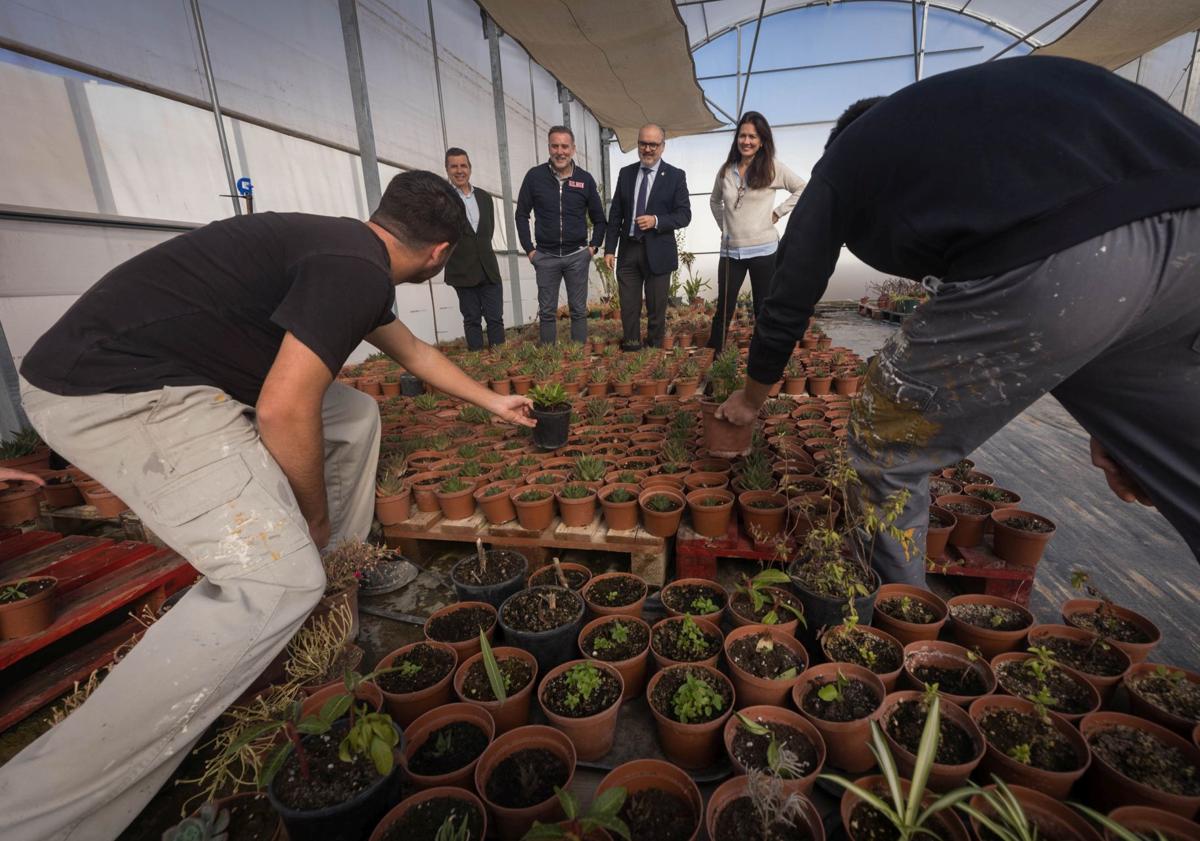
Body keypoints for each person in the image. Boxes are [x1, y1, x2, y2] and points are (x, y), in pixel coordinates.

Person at [1, 171, 534, 841]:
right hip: (116, 390)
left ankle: (331, 588)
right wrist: (309, 516)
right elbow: (284, 408)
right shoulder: (355, 271)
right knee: (273, 577)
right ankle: (30, 813)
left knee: (355, 414)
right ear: (440, 253)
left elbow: (415, 353)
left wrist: (493, 401)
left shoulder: (347, 250)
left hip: (157, 365)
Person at [716, 55, 1200, 585]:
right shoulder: (982, 113)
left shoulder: (848, 155)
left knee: (885, 442)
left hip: (1062, 261)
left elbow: (791, 292)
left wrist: (750, 398)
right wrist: (1115, 417)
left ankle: (897, 624)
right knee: (1176, 460)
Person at [706, 111, 807, 352]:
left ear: (762, 141)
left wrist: (777, 213)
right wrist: (725, 227)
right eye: (742, 136)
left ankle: (763, 358)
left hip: (764, 251)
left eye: (752, 136)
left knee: (763, 308)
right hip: (731, 252)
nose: (747, 141)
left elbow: (803, 187)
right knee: (724, 309)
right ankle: (714, 357)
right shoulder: (726, 171)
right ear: (737, 139)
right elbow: (714, 201)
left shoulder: (772, 168)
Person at [602, 123, 692, 350]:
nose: (648, 149)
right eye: (643, 143)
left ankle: (653, 353)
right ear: (638, 144)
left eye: (653, 144)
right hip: (629, 250)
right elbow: (616, 215)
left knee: (656, 309)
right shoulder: (626, 173)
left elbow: (684, 215)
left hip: (658, 251)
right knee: (629, 308)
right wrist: (610, 249)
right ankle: (632, 351)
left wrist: (656, 220)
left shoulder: (675, 176)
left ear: (662, 146)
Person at [515, 125, 606, 344]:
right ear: (549, 147)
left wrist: (592, 248)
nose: (560, 151)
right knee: (547, 312)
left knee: (578, 310)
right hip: (545, 256)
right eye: (555, 146)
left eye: (565, 146)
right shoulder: (534, 177)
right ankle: (549, 360)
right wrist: (530, 250)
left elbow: (600, 218)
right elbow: (521, 214)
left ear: (573, 149)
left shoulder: (585, 179)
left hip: (577, 255)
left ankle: (578, 360)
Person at [444, 147, 505, 349]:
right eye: (454, 166)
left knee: (495, 318)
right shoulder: (442, 201)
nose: (459, 170)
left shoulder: (485, 198)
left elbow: (486, 232)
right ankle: (478, 362)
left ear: (470, 168)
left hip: (488, 267)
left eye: (463, 165)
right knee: (472, 319)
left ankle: (500, 361)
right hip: (462, 269)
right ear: (447, 169)